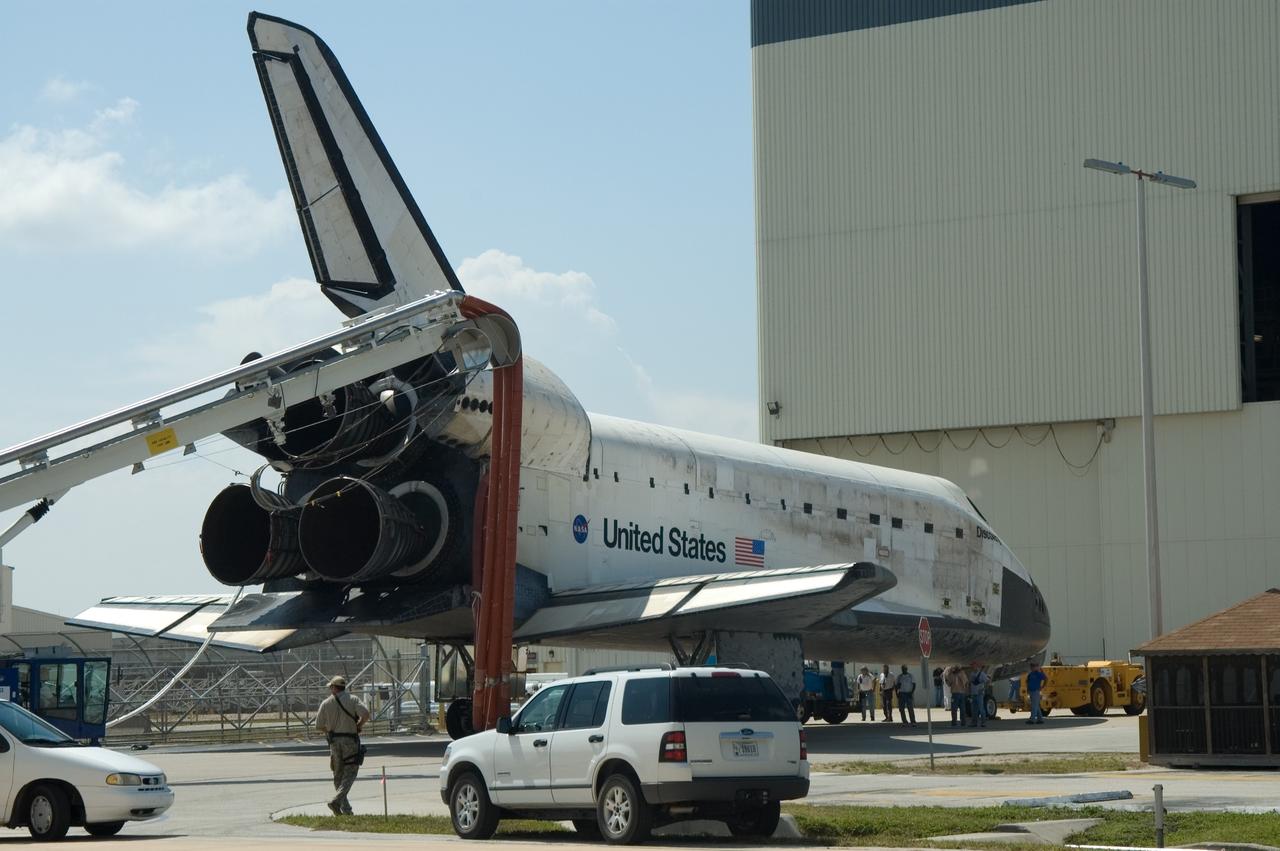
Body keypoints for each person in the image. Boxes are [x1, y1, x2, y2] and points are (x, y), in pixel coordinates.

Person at [315, 675, 370, 816]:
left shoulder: (326, 703)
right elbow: (365, 714)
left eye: (330, 687)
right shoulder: (353, 700)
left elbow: (318, 725)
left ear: (334, 688)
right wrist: (359, 725)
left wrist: (330, 731)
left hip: (334, 742)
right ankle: (337, 802)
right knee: (350, 773)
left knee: (337, 775)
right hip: (350, 741)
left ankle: (345, 809)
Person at [968, 662, 990, 728]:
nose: (972, 667)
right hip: (973, 694)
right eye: (971, 666)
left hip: (979, 694)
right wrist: (970, 692)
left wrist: (983, 689)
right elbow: (970, 683)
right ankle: (974, 723)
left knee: (981, 709)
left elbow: (988, 681)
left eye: (973, 666)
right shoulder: (972, 674)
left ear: (977, 666)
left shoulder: (982, 674)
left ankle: (983, 723)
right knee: (974, 709)